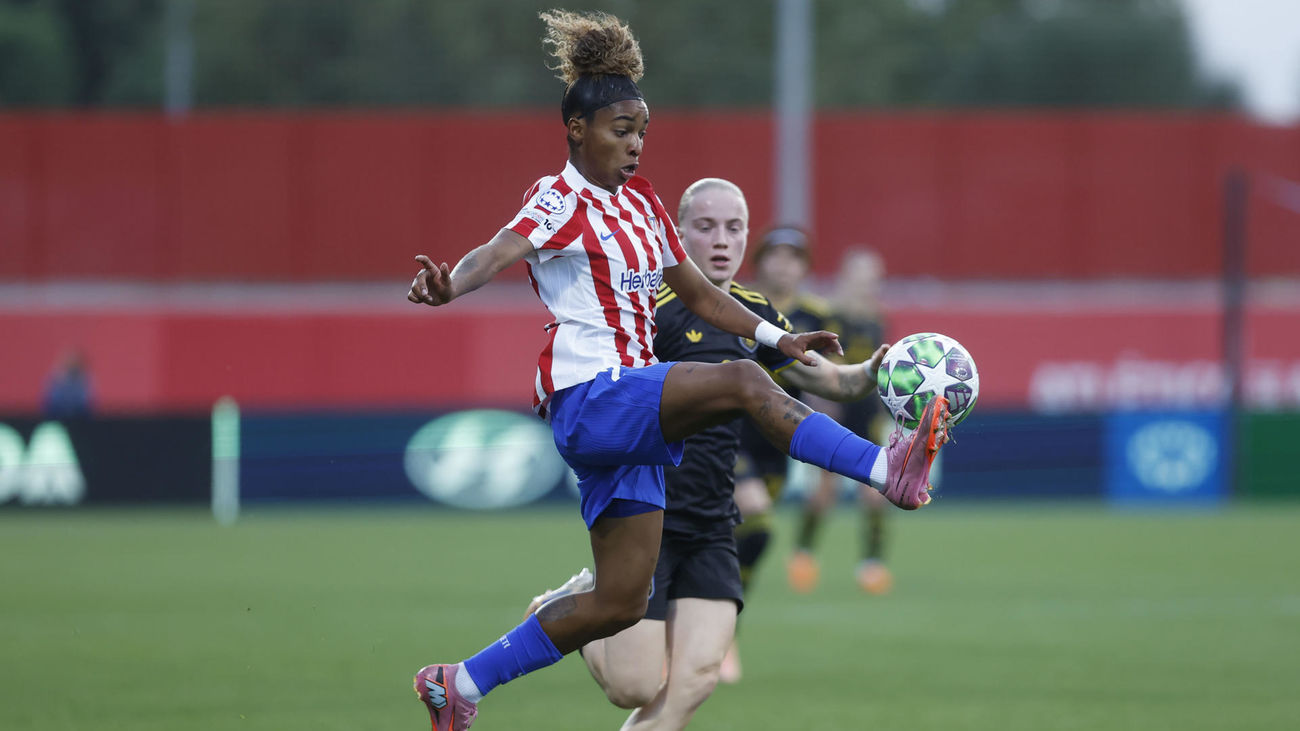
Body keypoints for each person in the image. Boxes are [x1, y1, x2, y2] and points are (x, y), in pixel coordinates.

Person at [405, 11, 951, 730]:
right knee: (741, 385)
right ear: (576, 129)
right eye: (619, 130)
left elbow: (698, 294)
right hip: (591, 397)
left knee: (620, 601)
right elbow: (497, 250)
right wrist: (451, 285)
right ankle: (889, 471)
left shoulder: (644, 206)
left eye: (641, 132)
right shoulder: (560, 197)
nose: (633, 145)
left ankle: (460, 683)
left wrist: (775, 339)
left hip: (630, 422)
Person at [523, 178, 890, 730]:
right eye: (706, 226)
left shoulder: (757, 314)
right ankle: (568, 608)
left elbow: (833, 383)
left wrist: (875, 371)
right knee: (634, 686)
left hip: (715, 521)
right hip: (649, 519)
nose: (722, 240)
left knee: (693, 681)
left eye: (734, 227)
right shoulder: (649, 305)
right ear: (677, 231)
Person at [719, 229, 892, 684]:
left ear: (804, 265)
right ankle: (702, 632)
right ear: (760, 261)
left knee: (747, 539)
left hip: (778, 438)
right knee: (749, 519)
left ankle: (720, 629)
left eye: (793, 256)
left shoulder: (819, 314)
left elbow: (829, 372)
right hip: (731, 431)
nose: (784, 265)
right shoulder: (741, 305)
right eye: (775, 255)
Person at [42, 349, 94, 419]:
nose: (72, 364)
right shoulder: (56, 380)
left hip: (80, 421)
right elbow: (50, 404)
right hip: (57, 419)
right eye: (70, 362)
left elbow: (87, 404)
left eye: (75, 362)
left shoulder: (86, 381)